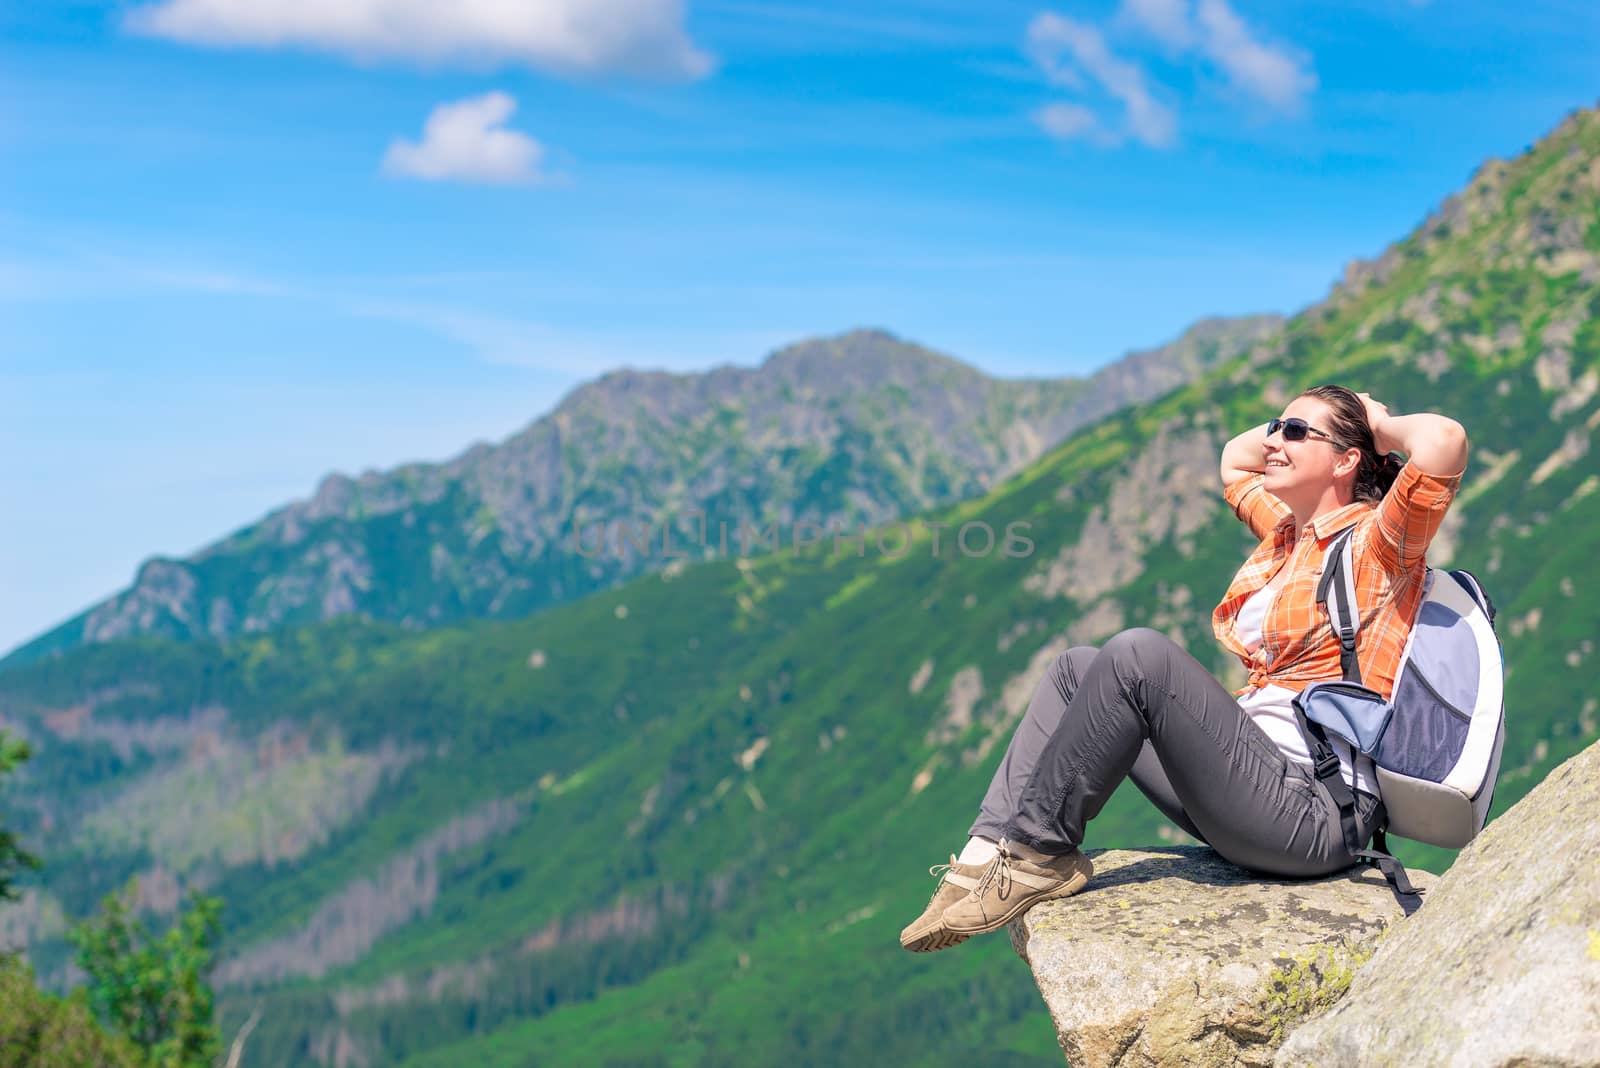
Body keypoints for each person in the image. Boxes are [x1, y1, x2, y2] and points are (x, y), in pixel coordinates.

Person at [899, 384, 1468, 953]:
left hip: (1314, 813)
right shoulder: (1288, 535)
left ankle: (1037, 855)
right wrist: (1302, 421)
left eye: (1294, 433)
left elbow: (1445, 442)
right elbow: (1234, 459)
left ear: (1347, 459)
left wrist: (1373, 420)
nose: (1273, 440)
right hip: (1251, 792)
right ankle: (979, 861)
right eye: (1275, 425)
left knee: (1139, 656)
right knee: (1078, 670)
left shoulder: (1378, 544)